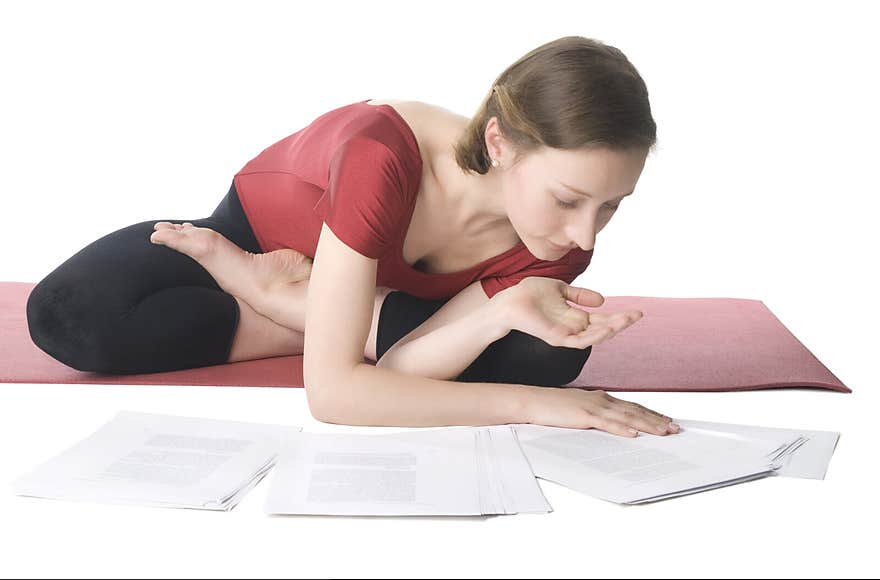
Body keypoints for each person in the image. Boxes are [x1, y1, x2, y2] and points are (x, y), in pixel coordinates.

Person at [26, 35, 680, 438]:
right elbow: (336, 396)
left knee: (549, 350)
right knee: (73, 318)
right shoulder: (385, 155)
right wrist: (537, 409)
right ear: (499, 144)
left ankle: (293, 305)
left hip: (378, 306)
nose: (583, 236)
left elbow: (397, 372)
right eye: (568, 199)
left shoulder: (560, 238)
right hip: (250, 236)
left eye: (612, 206)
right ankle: (297, 296)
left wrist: (498, 315)